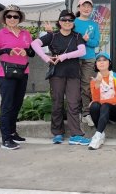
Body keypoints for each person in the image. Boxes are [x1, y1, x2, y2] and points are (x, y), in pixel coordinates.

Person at [31, 10, 89, 146]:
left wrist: (63, 56)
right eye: (64, 20)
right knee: (57, 103)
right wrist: (45, 57)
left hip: (73, 74)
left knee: (73, 104)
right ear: (59, 22)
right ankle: (57, 133)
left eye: (70, 20)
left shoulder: (77, 36)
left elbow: (82, 51)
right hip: (57, 74)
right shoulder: (52, 36)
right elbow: (34, 44)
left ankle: (76, 135)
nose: (67, 22)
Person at [0, 5, 35, 150]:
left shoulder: (26, 33)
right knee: (7, 105)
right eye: (9, 16)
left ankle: (12, 132)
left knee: (17, 104)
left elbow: (32, 53)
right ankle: (6, 139)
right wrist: (6, 50)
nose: (12, 19)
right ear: (5, 18)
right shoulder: (0, 34)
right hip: (6, 73)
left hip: (23, 72)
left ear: (19, 19)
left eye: (16, 17)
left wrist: (26, 51)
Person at [88, 52, 116, 150]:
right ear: (96, 64)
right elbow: (95, 101)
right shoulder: (94, 80)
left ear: (109, 63)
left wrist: (102, 102)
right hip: (102, 111)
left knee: (105, 105)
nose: (101, 62)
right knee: (94, 105)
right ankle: (100, 134)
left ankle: (97, 135)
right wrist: (97, 85)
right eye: (99, 60)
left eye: (104, 60)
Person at [74, 0, 100, 127]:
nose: (86, 8)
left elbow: (96, 43)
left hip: (89, 58)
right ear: (79, 8)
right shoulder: (72, 22)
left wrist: (87, 40)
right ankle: (74, 113)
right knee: (73, 86)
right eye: (83, 6)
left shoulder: (94, 24)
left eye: (89, 6)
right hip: (73, 58)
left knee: (86, 86)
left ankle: (85, 113)